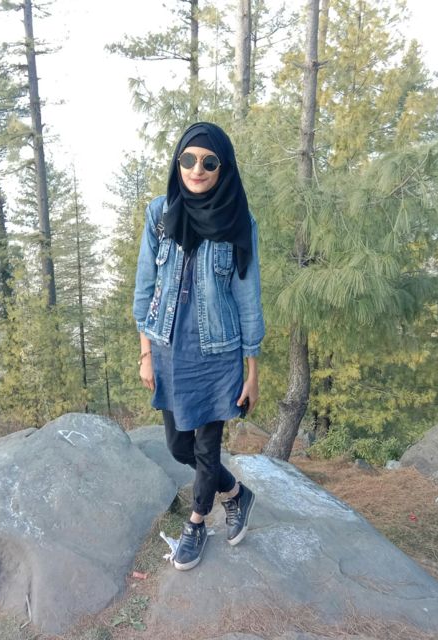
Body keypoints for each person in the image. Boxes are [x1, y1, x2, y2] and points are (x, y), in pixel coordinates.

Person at [133, 121, 265, 571]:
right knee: (178, 446)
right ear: (178, 162)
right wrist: (145, 353)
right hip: (168, 348)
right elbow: (145, 285)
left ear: (223, 168)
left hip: (218, 352)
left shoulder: (239, 221)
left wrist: (252, 371)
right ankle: (236, 493)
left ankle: (196, 524)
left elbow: (248, 297)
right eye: (188, 159)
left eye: (209, 162)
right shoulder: (160, 212)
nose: (197, 169)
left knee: (207, 449)